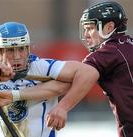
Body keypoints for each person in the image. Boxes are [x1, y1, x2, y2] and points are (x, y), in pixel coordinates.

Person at [0, 22, 97, 137]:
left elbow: (89, 73)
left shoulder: (42, 67)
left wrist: (62, 108)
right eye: (9, 50)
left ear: (29, 49)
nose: (17, 56)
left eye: (21, 49)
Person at [46, 1, 133, 137]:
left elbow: (66, 81)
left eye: (91, 28)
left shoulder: (109, 51)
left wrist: (62, 107)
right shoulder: (126, 45)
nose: (86, 34)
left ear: (109, 27)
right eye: (85, 29)